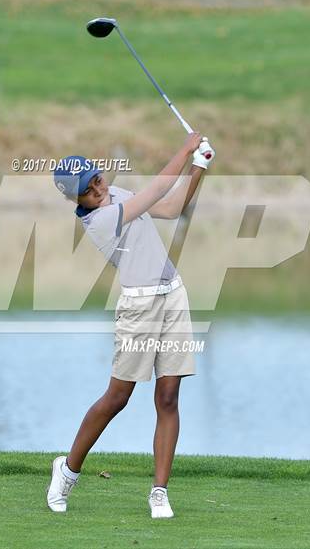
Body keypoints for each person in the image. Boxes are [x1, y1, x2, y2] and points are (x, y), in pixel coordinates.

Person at [48, 132, 214, 518]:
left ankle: (159, 491)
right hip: (138, 308)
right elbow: (157, 190)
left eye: (96, 178)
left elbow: (171, 207)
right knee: (118, 397)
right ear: (79, 201)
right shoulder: (101, 220)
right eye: (88, 190)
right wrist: (185, 148)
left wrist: (199, 166)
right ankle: (68, 469)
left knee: (168, 397)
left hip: (173, 295)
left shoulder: (115, 192)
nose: (98, 188)